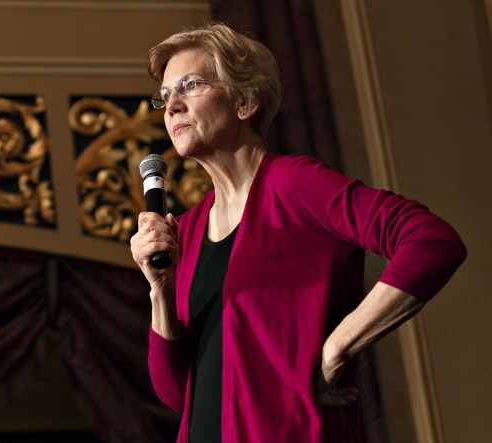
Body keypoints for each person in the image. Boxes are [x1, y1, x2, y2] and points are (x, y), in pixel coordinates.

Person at [129, 22, 466, 443]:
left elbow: (432, 241)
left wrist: (337, 347)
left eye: (189, 85)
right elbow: (178, 394)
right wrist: (159, 289)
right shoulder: (191, 227)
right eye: (165, 97)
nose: (172, 105)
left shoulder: (293, 184)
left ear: (246, 101)